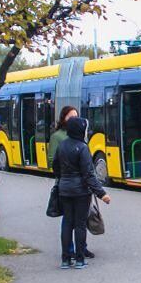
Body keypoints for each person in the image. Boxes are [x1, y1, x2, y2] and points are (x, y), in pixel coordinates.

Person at [52, 117, 110, 270]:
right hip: (81, 192)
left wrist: (64, 178)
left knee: (67, 224)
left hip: (64, 190)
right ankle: (79, 260)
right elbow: (89, 174)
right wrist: (102, 194)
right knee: (80, 225)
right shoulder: (82, 147)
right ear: (81, 130)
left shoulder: (62, 145)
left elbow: (55, 167)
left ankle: (65, 260)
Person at [47, 106, 95, 259]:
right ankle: (70, 250)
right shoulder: (58, 137)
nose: (74, 119)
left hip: (76, 184)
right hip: (70, 184)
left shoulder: (79, 137)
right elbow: (51, 161)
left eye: (76, 116)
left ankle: (81, 249)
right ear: (63, 118)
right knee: (69, 220)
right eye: (71, 116)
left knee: (80, 219)